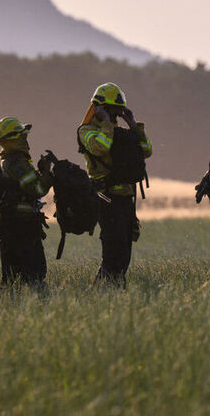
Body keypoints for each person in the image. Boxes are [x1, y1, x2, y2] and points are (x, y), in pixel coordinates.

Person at [77, 82, 152, 286]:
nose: (113, 115)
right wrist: (106, 123)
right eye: (109, 110)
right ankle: (101, 291)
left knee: (124, 253)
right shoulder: (86, 130)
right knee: (113, 251)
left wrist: (134, 124)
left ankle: (115, 289)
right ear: (98, 109)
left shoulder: (121, 133)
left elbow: (146, 150)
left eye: (116, 112)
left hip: (126, 199)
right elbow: (100, 148)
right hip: (106, 199)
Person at [0, 117, 52, 290]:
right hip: (22, 225)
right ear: (15, 139)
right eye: (22, 136)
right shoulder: (18, 163)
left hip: (9, 222)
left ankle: (7, 308)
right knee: (35, 272)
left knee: (11, 276)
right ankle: (40, 307)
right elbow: (38, 189)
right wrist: (47, 174)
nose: (26, 140)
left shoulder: (8, 161)